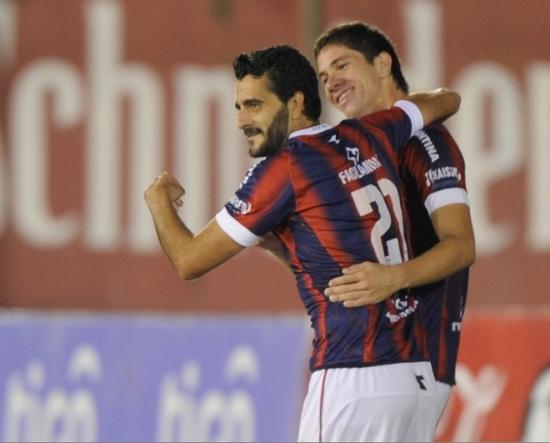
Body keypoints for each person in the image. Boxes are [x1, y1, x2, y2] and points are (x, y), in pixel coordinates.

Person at [144, 45, 460, 441]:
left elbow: (188, 260)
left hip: (352, 377)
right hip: (411, 378)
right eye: (239, 106)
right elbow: (448, 99)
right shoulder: (370, 131)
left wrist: (158, 201)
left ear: (295, 104)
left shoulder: (285, 168)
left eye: (255, 105)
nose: (242, 120)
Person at [314, 21, 476, 422]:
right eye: (323, 76)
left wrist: (394, 277)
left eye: (342, 65)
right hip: (383, 366)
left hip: (415, 363)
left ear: (383, 64)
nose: (331, 82)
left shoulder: (424, 141)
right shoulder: (362, 155)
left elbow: (461, 245)